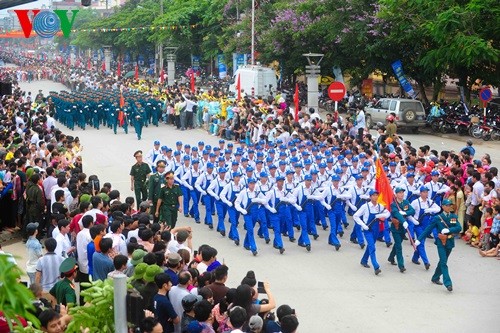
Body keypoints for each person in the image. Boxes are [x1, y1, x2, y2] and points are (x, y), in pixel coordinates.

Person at [414, 199, 462, 292]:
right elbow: (428, 229)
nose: (449, 207)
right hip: (441, 242)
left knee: (442, 261)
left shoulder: (453, 216)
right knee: (444, 262)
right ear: (443, 206)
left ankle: (435, 277)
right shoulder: (438, 218)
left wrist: (449, 230)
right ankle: (448, 283)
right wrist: (419, 239)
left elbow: (458, 227)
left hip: (450, 242)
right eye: (447, 205)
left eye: (450, 205)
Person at [353, 189, 390, 275]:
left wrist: (380, 215)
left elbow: (388, 213)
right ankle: (376, 266)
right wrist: (363, 225)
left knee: (371, 245)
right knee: (372, 247)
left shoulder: (380, 206)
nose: (375, 197)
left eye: (376, 195)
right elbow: (355, 216)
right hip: (368, 230)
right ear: (370, 197)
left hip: (376, 229)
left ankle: (364, 260)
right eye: (373, 195)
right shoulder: (365, 206)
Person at [389, 187, 415, 273]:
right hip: (396, 227)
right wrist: (403, 221)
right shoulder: (393, 204)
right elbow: (396, 213)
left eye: (402, 192)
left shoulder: (405, 202)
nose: (401, 194)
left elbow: (412, 210)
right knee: (399, 247)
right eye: (399, 193)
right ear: (396, 194)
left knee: (398, 243)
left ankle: (391, 257)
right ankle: (401, 265)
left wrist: (405, 213)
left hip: (403, 227)